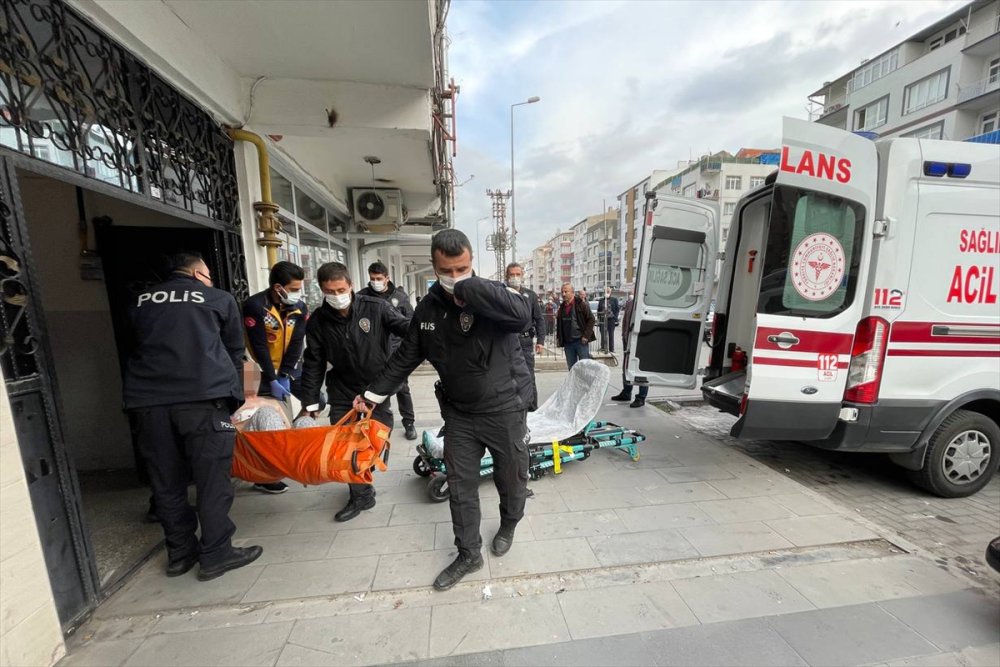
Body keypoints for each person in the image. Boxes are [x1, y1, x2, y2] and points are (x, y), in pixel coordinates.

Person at [354, 229, 532, 591]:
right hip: (460, 414)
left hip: (504, 410)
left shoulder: (493, 295)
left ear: (472, 263)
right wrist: (372, 395)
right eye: (446, 271)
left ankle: (509, 523)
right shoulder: (428, 308)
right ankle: (468, 553)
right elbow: (406, 356)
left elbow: (521, 317)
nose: (454, 277)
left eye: (461, 269)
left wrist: (471, 287)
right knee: (460, 487)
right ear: (434, 267)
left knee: (511, 478)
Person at [123, 252, 262, 581]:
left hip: (148, 403)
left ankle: (180, 554)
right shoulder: (219, 298)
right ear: (198, 273)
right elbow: (233, 352)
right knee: (212, 480)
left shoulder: (139, 302)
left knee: (166, 482)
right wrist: (237, 399)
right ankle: (216, 553)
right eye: (208, 274)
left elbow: (133, 347)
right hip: (204, 400)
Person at [298, 262, 410, 522]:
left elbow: (408, 330)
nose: (336, 296)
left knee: (375, 440)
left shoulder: (376, 307)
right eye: (330, 291)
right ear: (321, 290)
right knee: (345, 444)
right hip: (342, 388)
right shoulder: (318, 321)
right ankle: (361, 495)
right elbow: (313, 362)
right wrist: (310, 404)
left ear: (350, 285)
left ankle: (363, 467)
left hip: (376, 387)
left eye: (341, 289)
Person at [243, 261, 308, 494]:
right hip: (256, 371)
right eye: (294, 288)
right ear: (278, 288)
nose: (298, 293)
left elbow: (297, 342)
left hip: (286, 370)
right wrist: (271, 378)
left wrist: (285, 374)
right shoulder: (255, 306)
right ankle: (264, 475)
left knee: (314, 401)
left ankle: (289, 456)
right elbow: (259, 345)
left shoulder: (299, 307)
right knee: (262, 423)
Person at [358, 261, 418, 440]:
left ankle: (409, 423)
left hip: (396, 352)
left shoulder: (399, 297)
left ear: (387, 278)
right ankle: (376, 427)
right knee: (376, 389)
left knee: (402, 389)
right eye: (372, 278)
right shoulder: (362, 297)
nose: (375, 282)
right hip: (373, 353)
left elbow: (410, 322)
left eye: (379, 278)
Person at [505, 262, 546, 410]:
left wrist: (540, 341)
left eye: (518, 274)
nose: (515, 277)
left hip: (525, 342)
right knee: (508, 377)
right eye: (512, 274)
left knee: (528, 377)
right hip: (507, 341)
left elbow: (539, 319)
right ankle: (513, 410)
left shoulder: (530, 296)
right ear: (506, 276)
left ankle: (532, 410)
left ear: (522, 276)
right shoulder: (501, 293)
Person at [611, 294, 648, 408]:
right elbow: (625, 322)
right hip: (628, 341)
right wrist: (624, 335)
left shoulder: (646, 304)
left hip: (642, 342)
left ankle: (641, 397)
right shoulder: (629, 303)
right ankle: (626, 392)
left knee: (641, 369)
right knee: (626, 367)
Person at [556, 282, 595, 369]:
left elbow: (591, 319)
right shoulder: (562, 307)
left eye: (566, 292)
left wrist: (586, 336)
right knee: (572, 369)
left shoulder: (581, 304)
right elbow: (559, 324)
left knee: (584, 368)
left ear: (572, 292)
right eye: (562, 292)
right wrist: (559, 338)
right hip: (568, 343)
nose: (563, 294)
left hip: (580, 342)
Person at [596, 288, 621, 353]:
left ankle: (611, 349)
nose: (607, 292)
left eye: (608, 291)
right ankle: (603, 347)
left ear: (610, 292)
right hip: (603, 319)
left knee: (611, 334)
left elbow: (617, 309)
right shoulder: (601, 300)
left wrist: (615, 317)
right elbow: (598, 309)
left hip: (611, 319)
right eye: (606, 291)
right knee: (603, 334)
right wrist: (599, 319)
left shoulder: (614, 300)